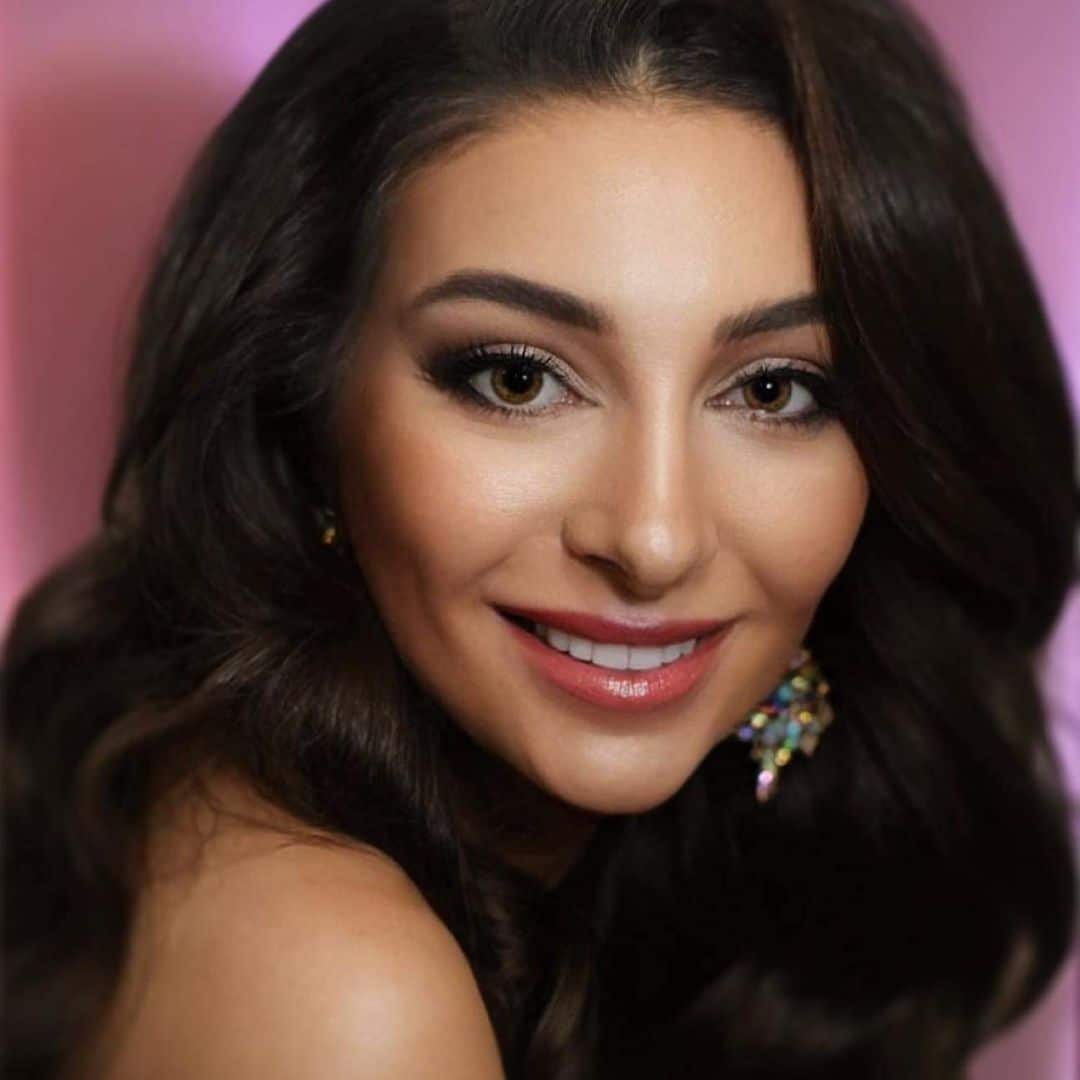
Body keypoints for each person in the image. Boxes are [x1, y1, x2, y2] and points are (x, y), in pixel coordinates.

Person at [4, 0, 1077, 1077]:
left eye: (773, 388)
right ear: (305, 396)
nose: (653, 538)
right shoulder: (344, 1005)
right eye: (518, 379)